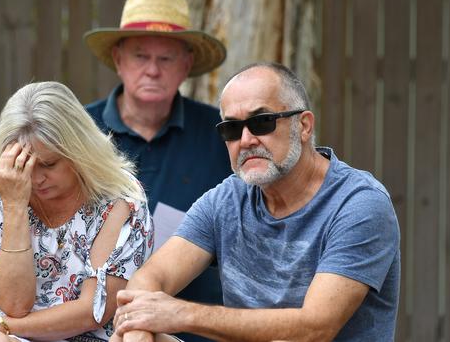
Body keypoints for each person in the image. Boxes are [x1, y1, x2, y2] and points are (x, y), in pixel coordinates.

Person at [111, 63, 401, 341]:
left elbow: (314, 328)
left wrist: (182, 314)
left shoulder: (359, 204)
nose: (246, 140)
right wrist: (138, 331)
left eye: (262, 122)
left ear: (304, 126)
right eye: (232, 129)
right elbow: (150, 278)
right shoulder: (226, 200)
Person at [0, 82, 153, 342]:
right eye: (24, 165)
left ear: (79, 150)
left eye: (48, 164)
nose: (36, 178)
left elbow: (94, 311)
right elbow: (14, 305)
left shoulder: (118, 200)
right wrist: (15, 207)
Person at [83, 0, 232, 340]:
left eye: (166, 59)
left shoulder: (224, 136)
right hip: (87, 324)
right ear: (118, 59)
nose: (152, 70)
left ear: (187, 64)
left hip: (192, 326)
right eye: (140, 56)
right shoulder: (79, 133)